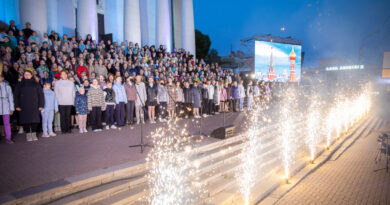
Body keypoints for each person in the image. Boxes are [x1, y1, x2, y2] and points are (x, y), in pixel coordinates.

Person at [14, 71, 44, 141]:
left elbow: (41, 95)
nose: (27, 75)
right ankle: (28, 134)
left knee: (35, 120)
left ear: (31, 76)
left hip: (35, 105)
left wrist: (41, 105)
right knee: (25, 120)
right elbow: (16, 96)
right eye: (25, 74)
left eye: (28, 74)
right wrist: (17, 105)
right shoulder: (19, 84)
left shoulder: (36, 84)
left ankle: (33, 133)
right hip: (23, 106)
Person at [0, 74, 15, 144]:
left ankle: (8, 137)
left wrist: (11, 108)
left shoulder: (7, 86)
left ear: (2, 78)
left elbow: (10, 97)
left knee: (6, 123)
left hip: (6, 105)